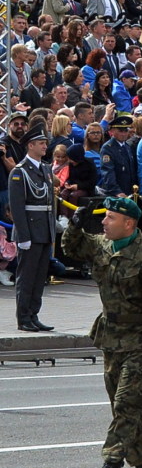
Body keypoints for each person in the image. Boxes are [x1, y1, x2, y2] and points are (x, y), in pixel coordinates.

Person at [65, 196, 142, 468]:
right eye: (105, 217)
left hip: (140, 344)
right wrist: (75, 224)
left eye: (110, 218)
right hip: (112, 341)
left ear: (129, 223)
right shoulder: (103, 245)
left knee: (126, 409)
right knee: (128, 414)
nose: (104, 222)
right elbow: (72, 249)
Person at [9, 124, 57, 332]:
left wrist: (52, 230)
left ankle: (34, 314)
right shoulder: (19, 172)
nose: (45, 146)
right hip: (30, 230)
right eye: (41, 143)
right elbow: (18, 208)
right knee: (27, 277)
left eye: (45, 142)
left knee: (39, 278)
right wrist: (23, 236)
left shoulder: (45, 169)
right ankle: (23, 318)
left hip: (44, 230)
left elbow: (50, 203)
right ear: (30, 146)